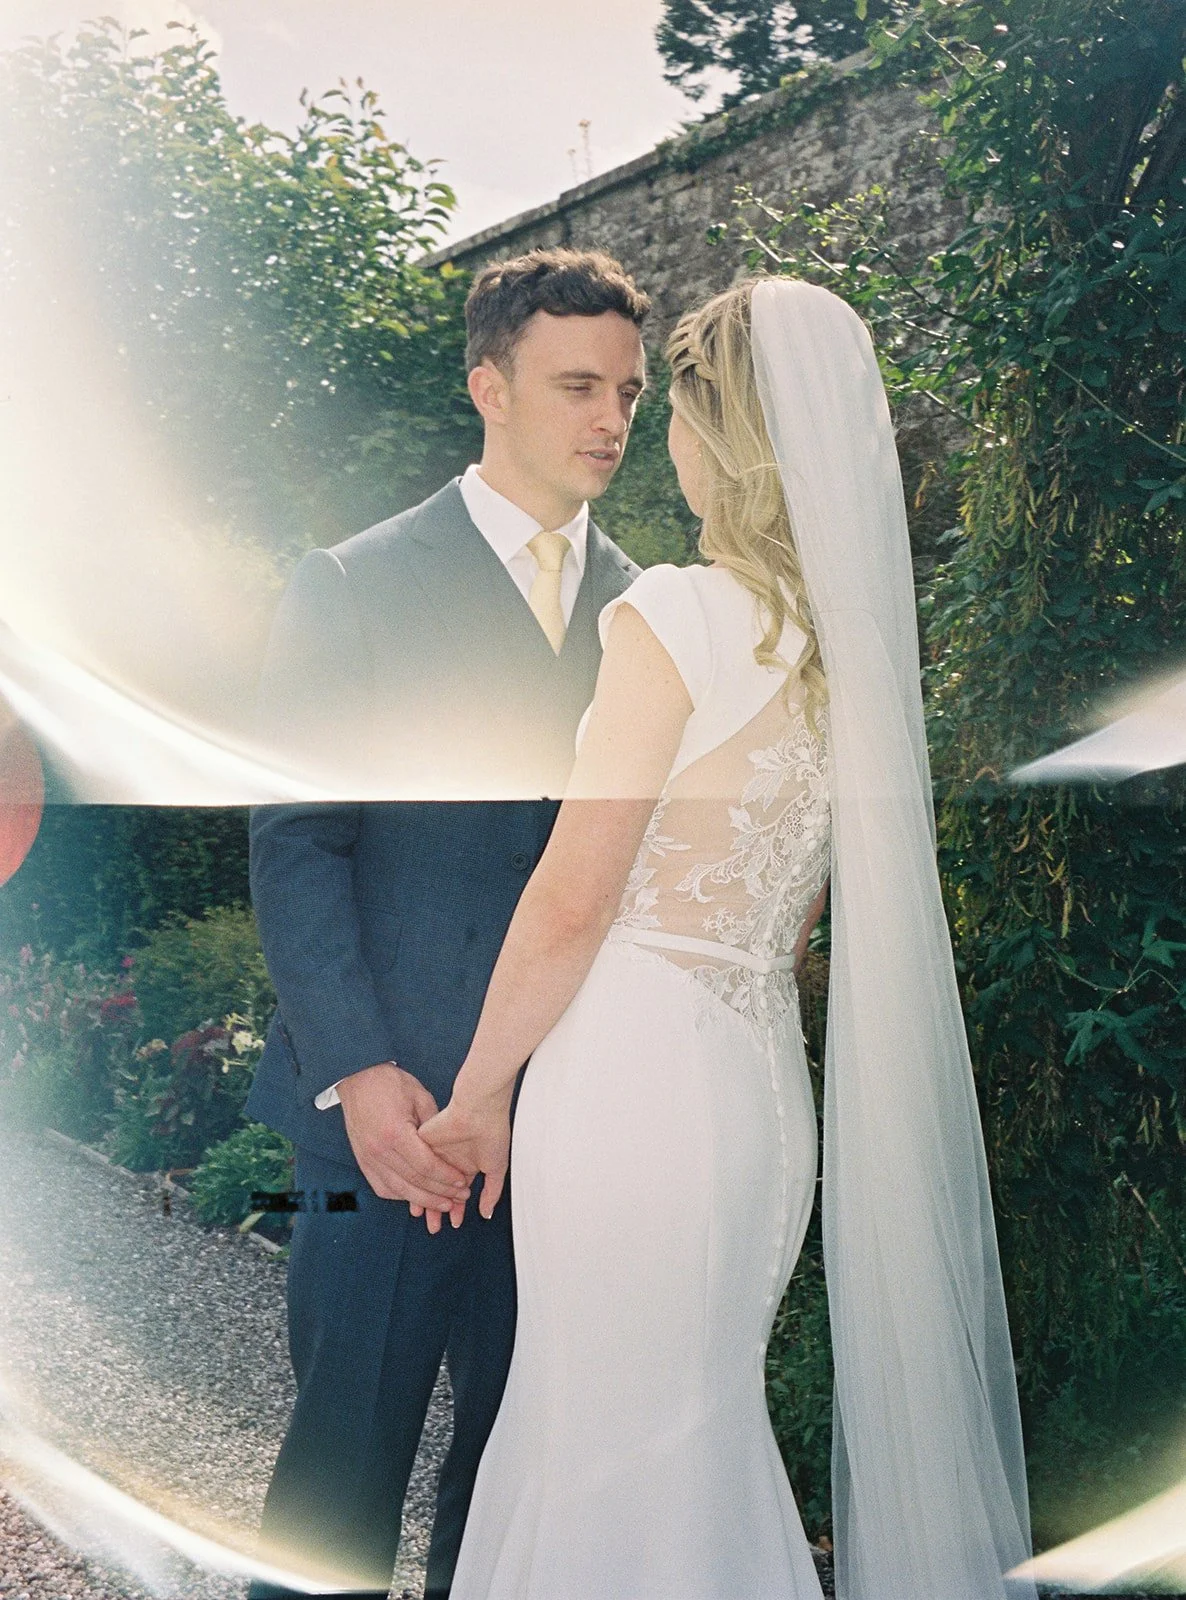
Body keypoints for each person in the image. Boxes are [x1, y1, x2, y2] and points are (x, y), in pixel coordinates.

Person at [419, 277, 1038, 1599]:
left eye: (671, 412)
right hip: (758, 1095)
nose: (657, 439)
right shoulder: (842, 654)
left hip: (632, 1080)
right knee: (693, 1426)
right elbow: (797, 911)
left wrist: (477, 1093)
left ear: (716, 435)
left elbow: (573, 895)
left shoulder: (680, 615)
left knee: (599, 1430)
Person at [244, 247, 649, 1600]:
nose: (609, 419)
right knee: (338, 1476)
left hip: (568, 1121)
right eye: (576, 386)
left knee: (519, 1485)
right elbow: (298, 843)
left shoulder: (647, 608)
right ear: (489, 388)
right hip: (388, 1126)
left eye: (628, 394)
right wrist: (358, 1072)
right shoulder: (354, 582)